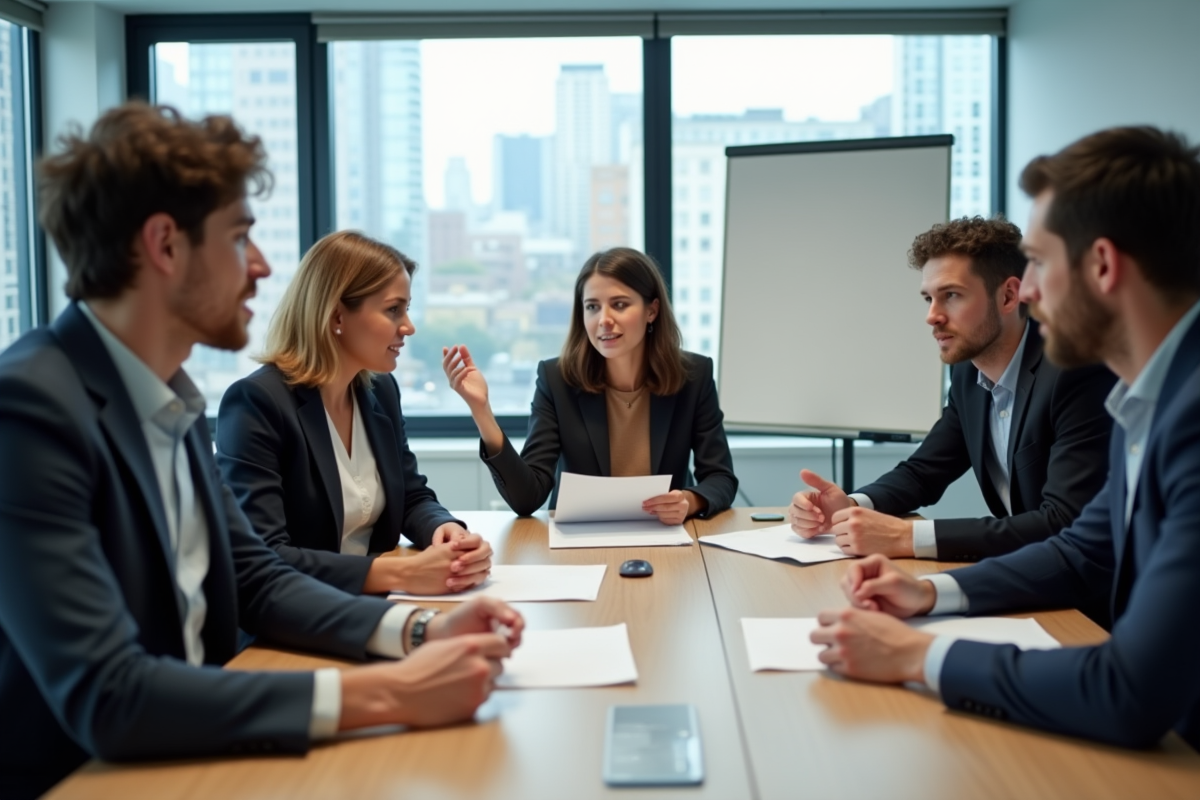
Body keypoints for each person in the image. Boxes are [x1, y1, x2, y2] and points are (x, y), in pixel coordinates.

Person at [0, 103, 523, 800]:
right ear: (165, 245)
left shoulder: (170, 401)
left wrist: (423, 630)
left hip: (206, 748)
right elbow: (110, 692)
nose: (262, 265)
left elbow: (258, 580)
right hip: (91, 780)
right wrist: (386, 695)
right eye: (240, 237)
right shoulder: (30, 409)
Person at [810, 126, 1200, 751]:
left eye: (1041, 263)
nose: (1032, 291)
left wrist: (920, 658)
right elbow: (1082, 550)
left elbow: (1128, 690)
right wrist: (928, 592)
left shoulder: (1184, 416)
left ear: (1101, 266)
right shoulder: (1151, 399)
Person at [790, 217, 1115, 562]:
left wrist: (906, 536)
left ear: (1008, 296)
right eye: (928, 298)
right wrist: (851, 505)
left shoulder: (1074, 371)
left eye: (951, 296)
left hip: (1094, 601)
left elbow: (1064, 522)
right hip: (1029, 575)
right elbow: (924, 472)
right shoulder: (967, 373)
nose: (932, 315)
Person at [216, 231, 492, 596]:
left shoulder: (380, 391)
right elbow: (264, 555)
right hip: (296, 618)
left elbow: (410, 495)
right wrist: (399, 573)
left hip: (371, 602)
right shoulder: (257, 403)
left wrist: (445, 530)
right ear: (336, 316)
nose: (408, 326)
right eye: (394, 309)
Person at [442, 247, 737, 523]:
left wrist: (689, 500)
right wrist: (481, 411)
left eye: (619, 305)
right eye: (592, 307)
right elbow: (526, 498)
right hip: (579, 544)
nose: (603, 320)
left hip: (664, 538)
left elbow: (721, 478)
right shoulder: (556, 380)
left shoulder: (694, 376)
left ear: (652, 310)